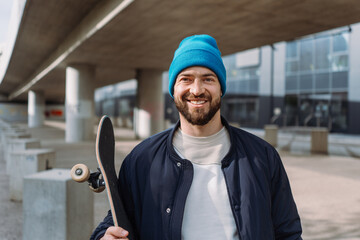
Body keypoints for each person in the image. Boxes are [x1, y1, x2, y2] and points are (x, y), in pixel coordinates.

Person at [91, 34, 302, 240]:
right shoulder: (142, 159)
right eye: (186, 79)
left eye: (208, 79)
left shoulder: (262, 157)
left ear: (221, 89)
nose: (197, 89)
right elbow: (117, 221)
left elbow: (288, 233)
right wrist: (105, 236)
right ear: (174, 89)